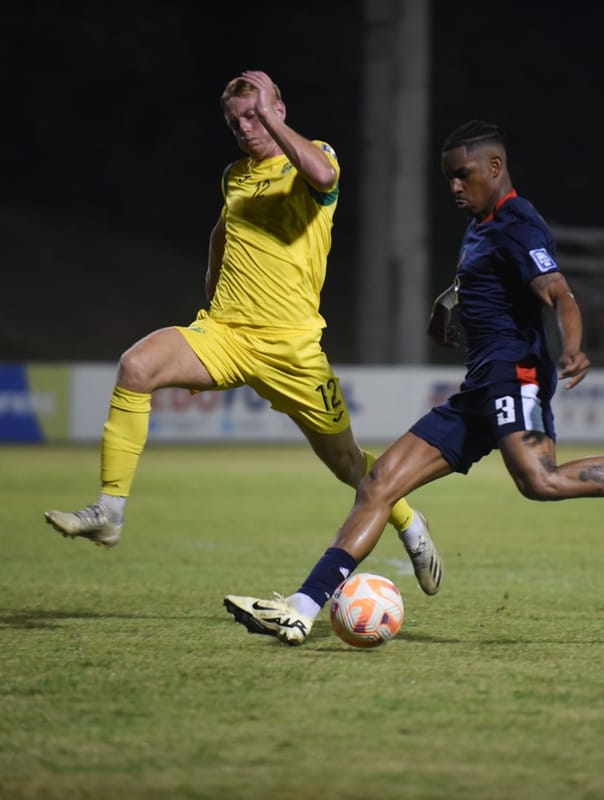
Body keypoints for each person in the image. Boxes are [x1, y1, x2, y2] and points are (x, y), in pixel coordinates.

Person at [223, 120, 604, 645]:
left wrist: (572, 345)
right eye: (448, 178)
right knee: (379, 482)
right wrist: (445, 308)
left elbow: (558, 292)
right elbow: (478, 284)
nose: (454, 187)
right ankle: (300, 609)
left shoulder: (517, 221)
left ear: (494, 167)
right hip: (480, 384)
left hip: (515, 370)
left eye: (463, 175)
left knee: (540, 480)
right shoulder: (480, 227)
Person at [44, 70, 442, 597]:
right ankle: (109, 511)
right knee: (136, 365)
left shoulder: (313, 156)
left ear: (280, 109)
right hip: (226, 335)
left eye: (255, 114)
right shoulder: (235, 176)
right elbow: (222, 229)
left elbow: (323, 177)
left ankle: (410, 523)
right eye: (236, 122)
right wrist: (210, 294)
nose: (246, 127)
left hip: (292, 350)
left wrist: (272, 121)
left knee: (348, 464)